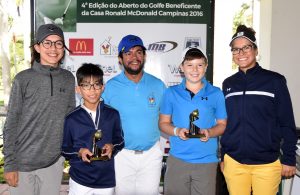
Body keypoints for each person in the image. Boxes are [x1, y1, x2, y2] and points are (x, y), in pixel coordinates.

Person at [221, 25, 298, 195]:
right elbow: (227, 123)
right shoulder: (228, 84)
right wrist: (223, 156)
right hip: (234, 163)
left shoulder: (275, 81)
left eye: (246, 47)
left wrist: (289, 159)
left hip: (267, 164)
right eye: (235, 49)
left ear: (255, 50)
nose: (240, 53)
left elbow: (286, 122)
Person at [3, 24, 76, 195]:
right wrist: (10, 163)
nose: (53, 48)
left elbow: (70, 118)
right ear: (37, 47)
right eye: (47, 43)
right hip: (22, 163)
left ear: (63, 48)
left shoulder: (68, 79)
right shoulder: (23, 79)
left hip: (53, 162)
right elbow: (11, 122)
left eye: (58, 43)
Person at [102, 34, 166, 195]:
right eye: (128, 53)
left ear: (144, 56)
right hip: (122, 155)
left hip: (151, 154)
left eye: (138, 52)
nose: (134, 57)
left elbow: (169, 118)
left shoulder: (158, 85)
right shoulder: (110, 87)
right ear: (120, 58)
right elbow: (100, 121)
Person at [159, 46, 227, 195]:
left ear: (206, 66)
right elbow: (163, 123)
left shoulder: (216, 93)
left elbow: (222, 125)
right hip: (178, 160)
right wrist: (177, 131)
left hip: (207, 162)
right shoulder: (171, 93)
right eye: (189, 65)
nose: (195, 69)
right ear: (181, 67)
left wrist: (209, 132)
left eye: (199, 65)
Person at [61, 63, 124, 195]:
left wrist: (112, 147)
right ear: (78, 89)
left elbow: (120, 141)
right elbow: (65, 149)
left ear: (103, 87)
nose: (92, 90)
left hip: (106, 180)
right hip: (79, 179)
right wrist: (80, 152)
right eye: (86, 85)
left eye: (96, 84)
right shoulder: (71, 118)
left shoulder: (113, 114)